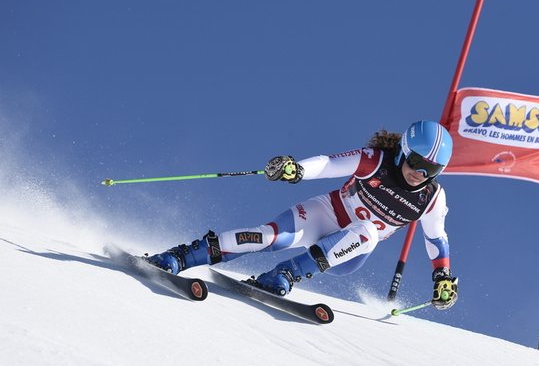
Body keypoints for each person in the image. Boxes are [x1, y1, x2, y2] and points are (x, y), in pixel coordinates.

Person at [146, 120, 459, 309]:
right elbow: (328, 164)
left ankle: (286, 274)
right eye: (416, 162)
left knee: (369, 231)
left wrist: (442, 276)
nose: (420, 173)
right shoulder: (375, 161)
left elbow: (436, 237)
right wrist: (295, 170)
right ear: (404, 150)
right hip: (327, 213)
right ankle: (182, 257)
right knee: (270, 236)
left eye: (431, 170)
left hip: (348, 252)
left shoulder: (431, 198)